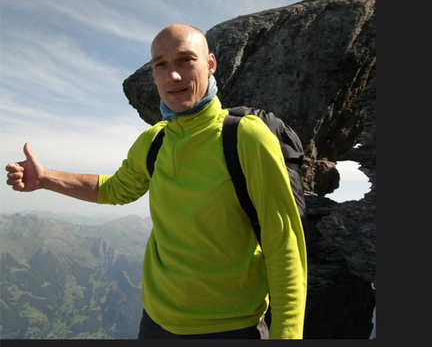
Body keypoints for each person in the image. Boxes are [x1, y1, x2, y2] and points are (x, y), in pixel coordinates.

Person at [5, 23, 308, 339]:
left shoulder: (246, 138)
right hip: (155, 323)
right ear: (152, 73)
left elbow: (284, 245)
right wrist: (45, 178)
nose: (172, 76)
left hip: (230, 327)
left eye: (186, 60)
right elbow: (113, 189)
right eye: (161, 65)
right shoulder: (154, 141)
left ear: (210, 64)